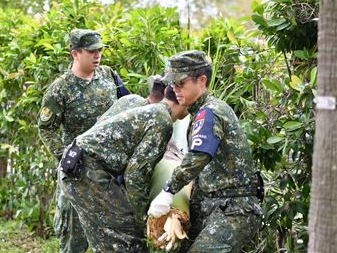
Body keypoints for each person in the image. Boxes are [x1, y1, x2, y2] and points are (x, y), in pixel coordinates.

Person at [148, 50, 262, 252]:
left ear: (202, 81)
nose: (175, 90)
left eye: (180, 83)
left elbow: (199, 157)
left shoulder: (210, 112)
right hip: (215, 206)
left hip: (233, 208)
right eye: (172, 85)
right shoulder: (200, 113)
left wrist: (168, 191)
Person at [58, 87, 188, 252]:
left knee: (107, 242)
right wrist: (144, 219)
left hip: (74, 166)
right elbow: (134, 175)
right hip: (87, 171)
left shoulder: (149, 110)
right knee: (130, 239)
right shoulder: (162, 120)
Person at [38, 28, 129, 253]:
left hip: (109, 169)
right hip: (77, 173)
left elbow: (129, 106)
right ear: (75, 54)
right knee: (74, 238)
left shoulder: (109, 76)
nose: (97, 55)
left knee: (113, 234)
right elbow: (46, 129)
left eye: (99, 50)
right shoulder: (61, 89)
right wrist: (66, 158)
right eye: (91, 51)